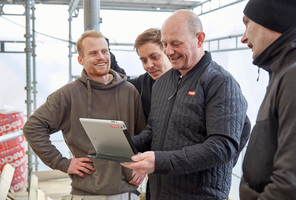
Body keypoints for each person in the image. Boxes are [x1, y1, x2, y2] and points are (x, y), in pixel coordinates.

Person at [122, 10, 248, 199]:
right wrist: (125, 143)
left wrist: (161, 161)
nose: (168, 51)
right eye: (165, 44)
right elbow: (153, 130)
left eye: (176, 44)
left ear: (199, 39)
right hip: (159, 193)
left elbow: (223, 146)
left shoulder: (220, 82)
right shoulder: (163, 82)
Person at [23, 30, 146, 200]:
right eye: (93, 53)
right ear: (80, 60)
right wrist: (62, 163)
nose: (101, 57)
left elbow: (144, 135)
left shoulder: (129, 91)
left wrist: (143, 166)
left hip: (126, 192)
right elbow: (32, 127)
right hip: (86, 194)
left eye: (104, 51)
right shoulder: (68, 94)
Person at [239, 0, 296, 199]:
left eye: (247, 23)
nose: (243, 37)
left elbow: (289, 185)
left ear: (272, 18)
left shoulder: (295, 75)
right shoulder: (282, 73)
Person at [128, 28, 172, 120]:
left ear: (168, 52)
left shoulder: (186, 82)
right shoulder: (142, 83)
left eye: (155, 57)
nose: (149, 65)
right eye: (144, 61)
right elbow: (119, 81)